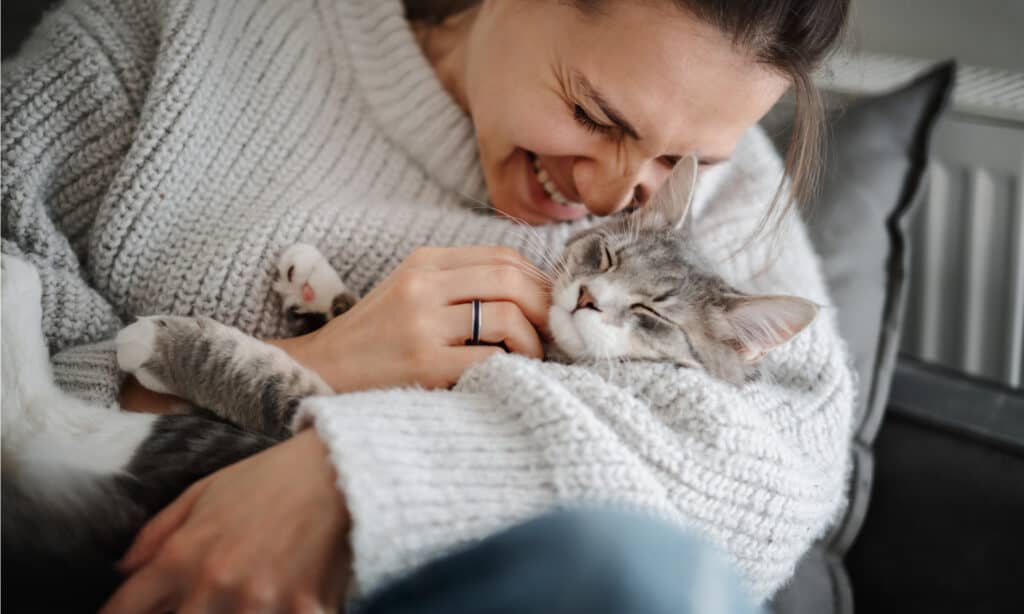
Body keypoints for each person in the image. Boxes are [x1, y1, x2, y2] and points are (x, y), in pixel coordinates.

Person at [1, 0, 854, 611]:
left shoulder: (735, 192)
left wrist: (357, 474)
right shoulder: (177, 30)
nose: (616, 196)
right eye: (593, 114)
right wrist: (316, 366)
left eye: (682, 161)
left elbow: (774, 470)